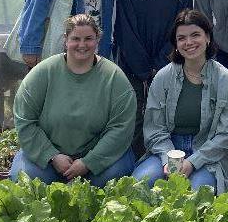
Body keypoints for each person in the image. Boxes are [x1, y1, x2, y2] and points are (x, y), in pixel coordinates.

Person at [9, 14, 138, 186]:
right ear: (66, 40)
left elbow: (121, 128)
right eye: (76, 38)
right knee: (26, 179)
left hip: (101, 159)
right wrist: (52, 156)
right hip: (50, 157)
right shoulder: (42, 74)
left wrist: (88, 162)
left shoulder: (114, 78)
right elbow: (25, 120)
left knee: (112, 180)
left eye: (88, 39)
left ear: (98, 40)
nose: (82, 45)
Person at [132, 10, 228, 193]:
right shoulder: (163, 77)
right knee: (140, 185)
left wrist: (193, 161)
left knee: (198, 194)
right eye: (181, 38)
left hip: (207, 153)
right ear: (175, 44)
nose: (189, 42)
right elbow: (154, 128)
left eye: (195, 35)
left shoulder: (225, 79)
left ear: (207, 37)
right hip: (167, 149)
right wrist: (169, 160)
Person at [115, 0, 194, 151]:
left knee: (162, 117)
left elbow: (182, 25)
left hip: (167, 62)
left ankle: (161, 165)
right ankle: (132, 170)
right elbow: (125, 27)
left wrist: (162, 62)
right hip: (133, 64)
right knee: (134, 118)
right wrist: (142, 68)